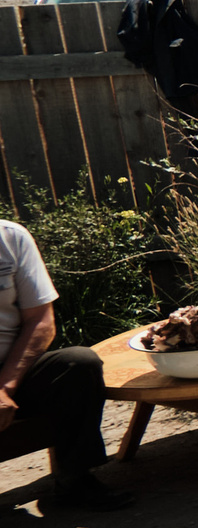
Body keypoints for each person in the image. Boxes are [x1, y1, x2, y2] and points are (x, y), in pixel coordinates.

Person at [0, 219, 117, 511]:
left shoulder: (10, 237)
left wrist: (5, 386)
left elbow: (40, 320)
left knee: (78, 364)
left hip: (13, 371)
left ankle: (74, 480)